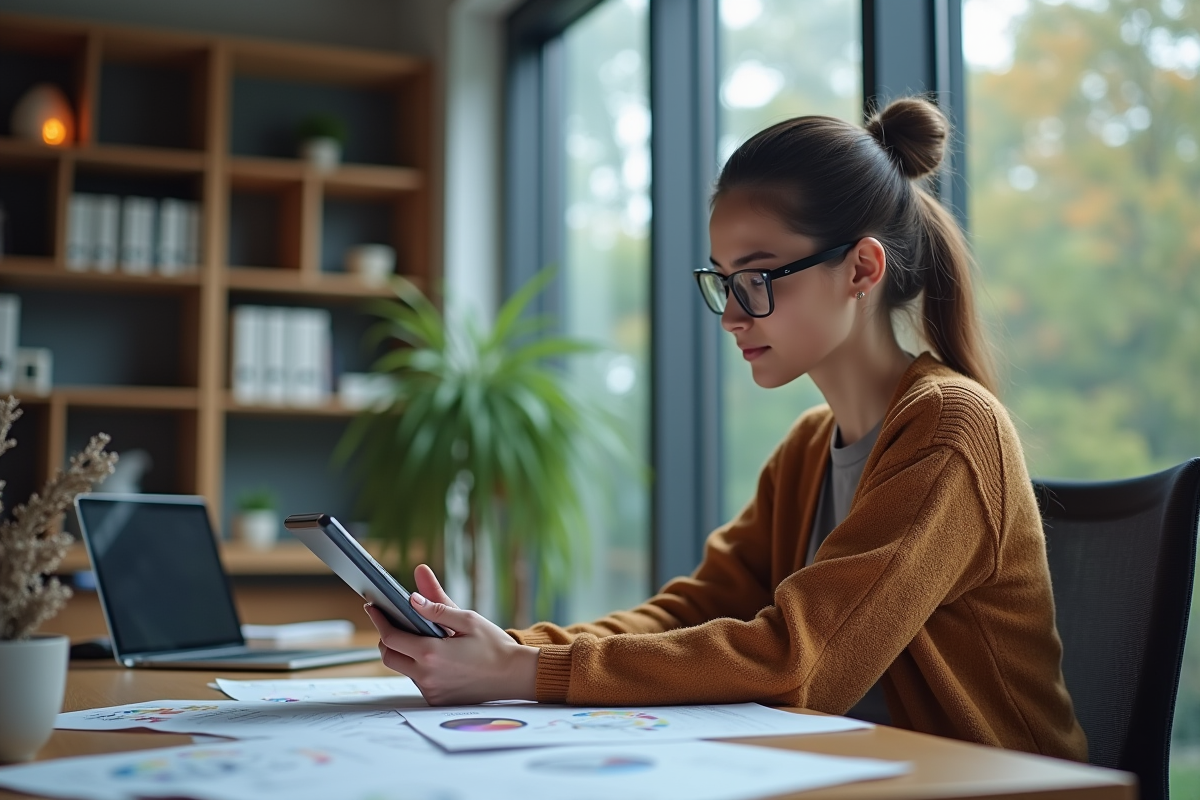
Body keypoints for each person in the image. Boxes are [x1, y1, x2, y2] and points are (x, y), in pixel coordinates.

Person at [364, 96, 1088, 762]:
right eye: (723, 281)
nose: (734, 315)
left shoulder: (950, 428)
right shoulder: (809, 449)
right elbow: (691, 612)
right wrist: (505, 648)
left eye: (758, 277)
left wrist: (525, 670)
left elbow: (798, 662)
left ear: (861, 269)